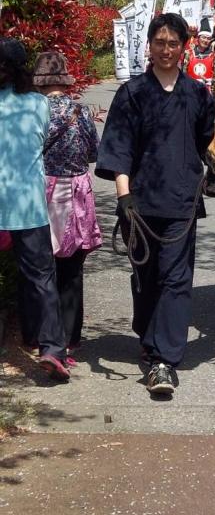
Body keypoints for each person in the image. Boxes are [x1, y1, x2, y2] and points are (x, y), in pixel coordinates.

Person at [95, 13, 215, 397]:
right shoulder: (132, 93)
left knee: (176, 281)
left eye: (173, 43)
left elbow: (209, 144)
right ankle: (150, 341)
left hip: (181, 203)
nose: (166, 50)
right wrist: (124, 196)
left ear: (184, 47)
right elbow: (117, 149)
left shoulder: (198, 95)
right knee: (147, 280)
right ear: (149, 45)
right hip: (139, 205)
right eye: (160, 43)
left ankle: (165, 360)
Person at [0, 39, 70, 381]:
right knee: (41, 279)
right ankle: (52, 349)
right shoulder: (39, 104)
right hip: (27, 205)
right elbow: (40, 140)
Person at [34, 51, 102, 359]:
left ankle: (43, 337)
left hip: (42, 191)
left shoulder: (34, 111)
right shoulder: (81, 111)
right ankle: (71, 338)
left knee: (42, 266)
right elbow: (94, 152)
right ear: (64, 79)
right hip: (76, 191)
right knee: (72, 268)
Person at [184, 16, 215, 88]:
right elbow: (183, 75)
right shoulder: (189, 54)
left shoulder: (213, 56)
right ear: (198, 38)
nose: (205, 40)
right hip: (191, 90)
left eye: (208, 38)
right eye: (203, 37)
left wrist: (210, 81)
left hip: (208, 91)